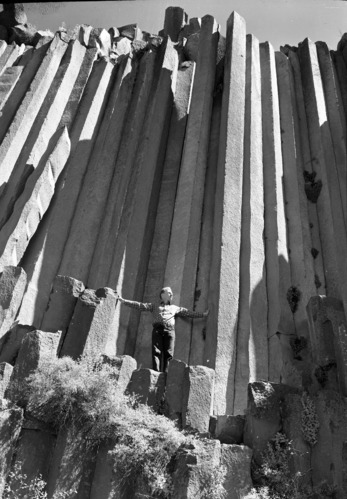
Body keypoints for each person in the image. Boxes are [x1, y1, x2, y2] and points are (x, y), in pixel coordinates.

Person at [116, 287, 209, 373]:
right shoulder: (154, 306)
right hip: (158, 329)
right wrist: (123, 301)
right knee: (156, 351)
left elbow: (187, 312)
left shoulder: (175, 308)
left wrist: (203, 314)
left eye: (171, 294)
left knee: (169, 353)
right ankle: (155, 372)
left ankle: (166, 374)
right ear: (162, 294)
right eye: (169, 293)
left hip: (170, 330)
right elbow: (140, 305)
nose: (171, 295)